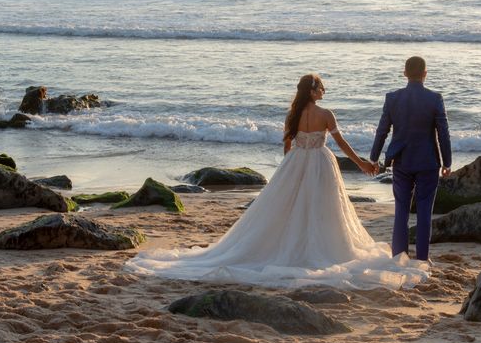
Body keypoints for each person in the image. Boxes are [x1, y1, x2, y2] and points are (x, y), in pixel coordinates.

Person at [125, 74, 429, 289]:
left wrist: (289, 166)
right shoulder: (326, 114)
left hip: (296, 162)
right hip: (321, 163)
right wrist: (363, 163)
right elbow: (342, 145)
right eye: (322, 87)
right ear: (313, 91)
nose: (325, 91)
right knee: (323, 209)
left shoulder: (293, 114)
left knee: (288, 207)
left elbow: (288, 145)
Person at [370, 56, 451, 262]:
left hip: (402, 160)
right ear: (425, 73)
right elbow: (443, 133)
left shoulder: (392, 98)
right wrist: (447, 162)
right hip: (428, 162)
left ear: (404, 73)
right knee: (424, 212)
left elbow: (382, 131)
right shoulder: (435, 98)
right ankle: (422, 260)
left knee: (401, 211)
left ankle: (399, 258)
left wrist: (373, 157)